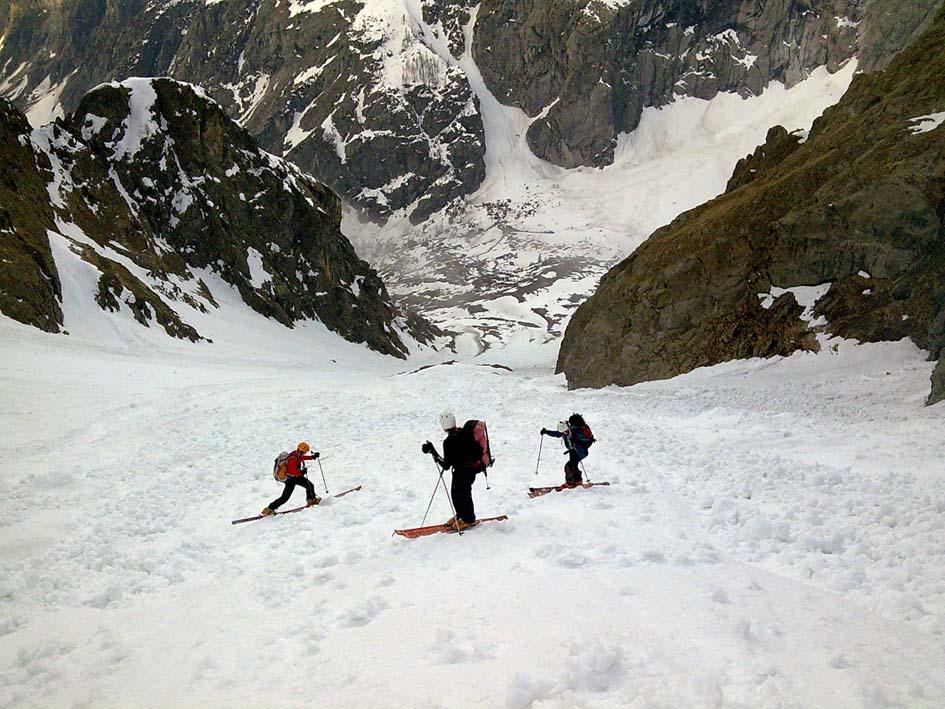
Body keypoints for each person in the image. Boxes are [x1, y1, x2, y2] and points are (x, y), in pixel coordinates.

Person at [422, 411, 482, 531]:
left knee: (463, 495)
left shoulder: (449, 442)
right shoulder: (462, 433)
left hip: (462, 472)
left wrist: (433, 452)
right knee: (456, 494)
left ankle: (469, 519)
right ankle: (461, 515)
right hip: (469, 471)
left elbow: (446, 465)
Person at [261, 442, 321, 515]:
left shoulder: (295, 454)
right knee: (285, 498)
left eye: (303, 453)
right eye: (301, 452)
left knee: (310, 486)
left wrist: (312, 457)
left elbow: (301, 458)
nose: (302, 454)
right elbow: (292, 471)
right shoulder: (292, 459)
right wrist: (301, 472)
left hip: (295, 477)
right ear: (298, 449)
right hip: (290, 480)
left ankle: (311, 501)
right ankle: (268, 509)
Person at [541, 414, 593, 485]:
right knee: (572, 466)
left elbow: (587, 439)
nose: (564, 433)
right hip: (572, 451)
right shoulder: (565, 431)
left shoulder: (576, 432)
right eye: (563, 432)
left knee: (570, 466)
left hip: (580, 451)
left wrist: (577, 441)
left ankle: (574, 482)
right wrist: (547, 432)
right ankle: (575, 481)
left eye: (565, 431)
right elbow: (557, 434)